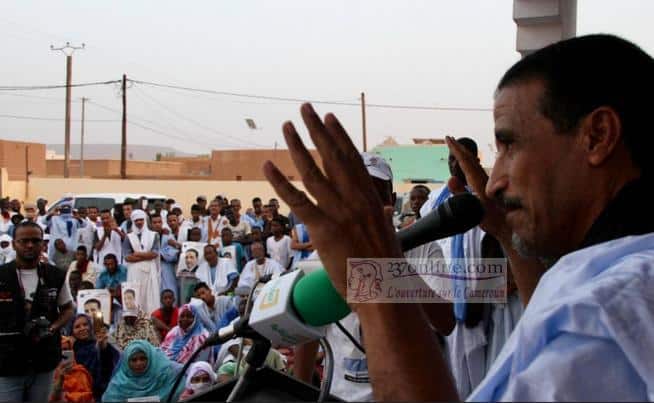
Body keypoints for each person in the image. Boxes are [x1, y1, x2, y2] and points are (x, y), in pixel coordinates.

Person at [266, 34, 654, 400]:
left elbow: (456, 308)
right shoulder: (594, 276)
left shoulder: (611, 311)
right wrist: (501, 236)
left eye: (510, 145)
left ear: (598, 136)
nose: (494, 182)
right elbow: (543, 310)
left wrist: (380, 275)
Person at [0, 222, 75, 402]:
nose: (30, 245)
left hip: (44, 360)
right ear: (14, 244)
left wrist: (52, 328)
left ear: (43, 244)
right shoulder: (2, 275)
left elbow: (67, 308)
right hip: (7, 361)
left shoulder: (55, 275)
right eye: (24, 241)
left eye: (35, 240)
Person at [101, 340, 184, 402]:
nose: (139, 363)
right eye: (134, 360)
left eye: (143, 358)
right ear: (126, 362)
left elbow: (179, 390)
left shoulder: (164, 374)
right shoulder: (118, 384)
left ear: (150, 358)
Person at [67, 314, 120, 400]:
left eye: (85, 324)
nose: (82, 328)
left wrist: (103, 347)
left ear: (91, 326)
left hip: (100, 394)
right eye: (77, 327)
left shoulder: (100, 343)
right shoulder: (69, 348)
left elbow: (109, 367)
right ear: (72, 331)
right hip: (78, 395)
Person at [123, 209, 160, 314]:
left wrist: (137, 254)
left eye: (141, 220)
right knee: (137, 297)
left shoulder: (154, 235)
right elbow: (127, 257)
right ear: (133, 221)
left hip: (150, 271)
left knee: (150, 299)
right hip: (134, 272)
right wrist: (146, 256)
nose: (139, 222)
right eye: (136, 220)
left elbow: (154, 254)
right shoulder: (128, 237)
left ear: (145, 220)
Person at [160, 213, 182, 302]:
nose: (172, 223)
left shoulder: (184, 232)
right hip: (167, 268)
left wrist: (176, 245)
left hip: (180, 268)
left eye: (174, 220)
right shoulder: (165, 235)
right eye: (170, 221)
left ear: (178, 221)